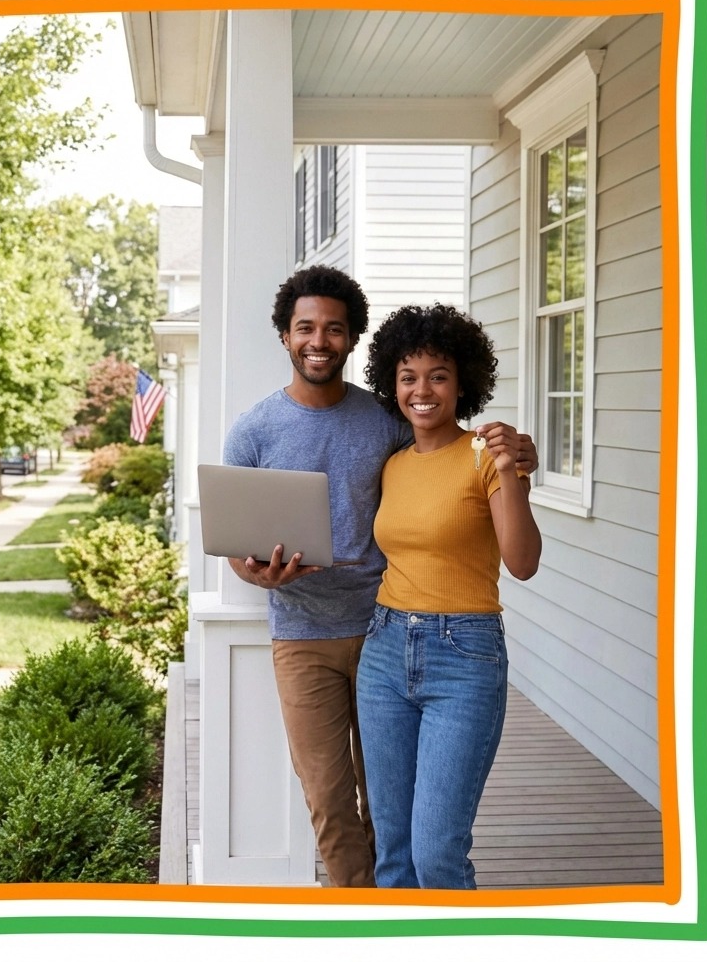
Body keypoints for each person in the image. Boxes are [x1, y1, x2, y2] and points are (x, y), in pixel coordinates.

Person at [222, 267, 535, 888]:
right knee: (337, 808)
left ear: (352, 338)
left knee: (415, 832)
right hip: (307, 634)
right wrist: (258, 572)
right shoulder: (254, 430)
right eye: (305, 327)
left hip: (385, 631)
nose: (319, 340)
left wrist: (520, 455)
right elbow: (237, 541)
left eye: (334, 329)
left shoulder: (387, 424)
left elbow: (453, 454)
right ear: (285, 335)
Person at [356, 302, 542, 890]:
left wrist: (512, 469)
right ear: (393, 384)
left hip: (464, 656)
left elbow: (523, 562)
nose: (422, 390)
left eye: (438, 375)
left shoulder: (487, 457)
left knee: (437, 854)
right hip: (383, 653)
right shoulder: (392, 464)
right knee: (394, 853)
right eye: (408, 377)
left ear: (462, 381)